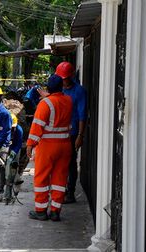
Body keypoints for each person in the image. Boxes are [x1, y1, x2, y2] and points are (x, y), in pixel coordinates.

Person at [26, 74, 73, 221]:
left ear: (48, 88)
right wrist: (50, 96)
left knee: (41, 177)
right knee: (60, 178)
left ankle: (40, 211)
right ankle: (55, 211)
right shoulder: (68, 100)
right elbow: (58, 101)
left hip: (47, 147)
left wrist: (29, 145)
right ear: (62, 87)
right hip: (65, 145)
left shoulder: (45, 104)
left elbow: (37, 127)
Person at [55, 62, 87, 204]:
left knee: (71, 163)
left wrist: (80, 135)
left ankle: (71, 193)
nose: (63, 81)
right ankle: (62, 189)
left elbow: (82, 115)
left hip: (72, 133)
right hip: (58, 133)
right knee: (60, 164)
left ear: (71, 76)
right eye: (61, 79)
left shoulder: (79, 91)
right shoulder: (59, 89)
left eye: (65, 78)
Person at [4, 113, 24, 203]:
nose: (12, 129)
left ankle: (16, 179)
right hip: (7, 147)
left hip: (15, 148)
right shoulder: (5, 127)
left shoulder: (19, 130)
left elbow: (19, 144)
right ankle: (11, 182)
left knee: (13, 166)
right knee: (7, 167)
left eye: (13, 127)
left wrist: (12, 154)